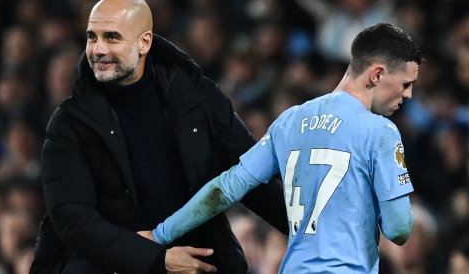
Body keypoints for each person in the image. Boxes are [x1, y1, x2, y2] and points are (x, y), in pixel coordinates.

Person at [29, 0, 288, 274]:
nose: (98, 49)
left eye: (112, 37)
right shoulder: (69, 123)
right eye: (92, 37)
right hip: (111, 265)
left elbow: (252, 178)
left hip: (200, 260)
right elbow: (73, 220)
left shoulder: (198, 100)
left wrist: (315, 231)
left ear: (145, 42)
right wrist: (155, 258)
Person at [145, 23, 421, 273]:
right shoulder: (379, 131)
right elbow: (398, 229)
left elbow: (226, 187)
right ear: (377, 74)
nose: (407, 95)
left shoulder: (290, 121)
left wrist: (159, 235)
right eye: (406, 84)